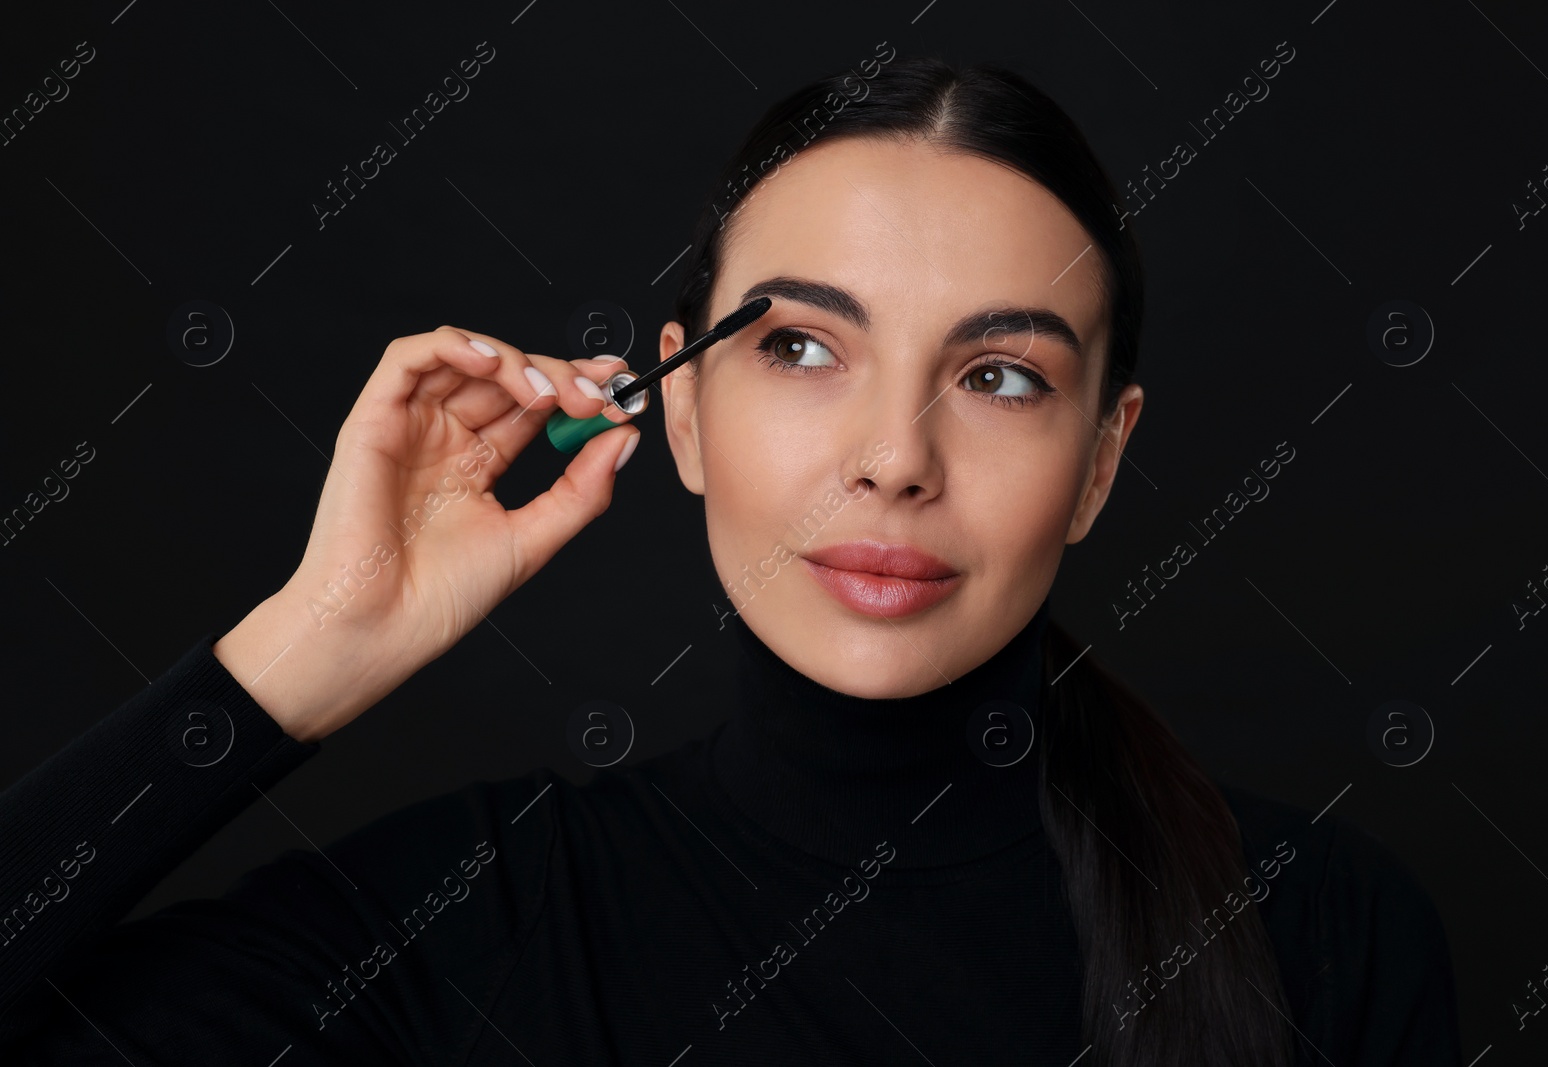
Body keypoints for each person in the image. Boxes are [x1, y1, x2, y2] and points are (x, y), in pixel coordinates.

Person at [0, 55, 1461, 1065]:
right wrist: (305, 650)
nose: (896, 457)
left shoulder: (1324, 931)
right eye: (804, 348)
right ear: (682, 413)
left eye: (1001, 375)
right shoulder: (473, 925)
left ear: (1102, 459)